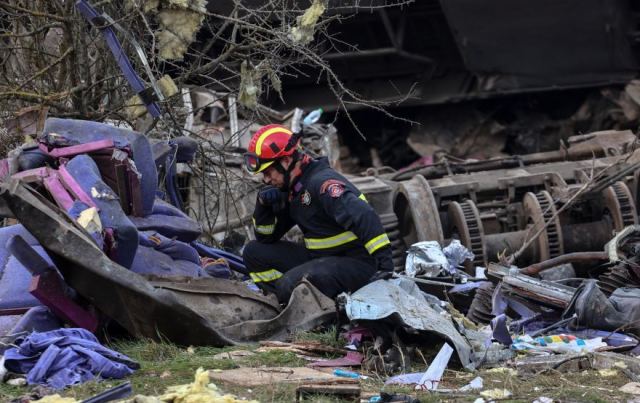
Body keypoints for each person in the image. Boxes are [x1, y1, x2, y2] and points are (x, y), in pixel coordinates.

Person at [242, 123, 394, 303]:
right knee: (253, 252)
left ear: (286, 161)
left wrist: (384, 266)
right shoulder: (293, 188)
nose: (266, 179)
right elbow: (266, 237)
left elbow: (364, 215)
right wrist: (263, 206)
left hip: (356, 264)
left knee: (289, 284)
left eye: (268, 172)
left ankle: (318, 309)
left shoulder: (322, 184)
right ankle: (285, 303)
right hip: (322, 259)